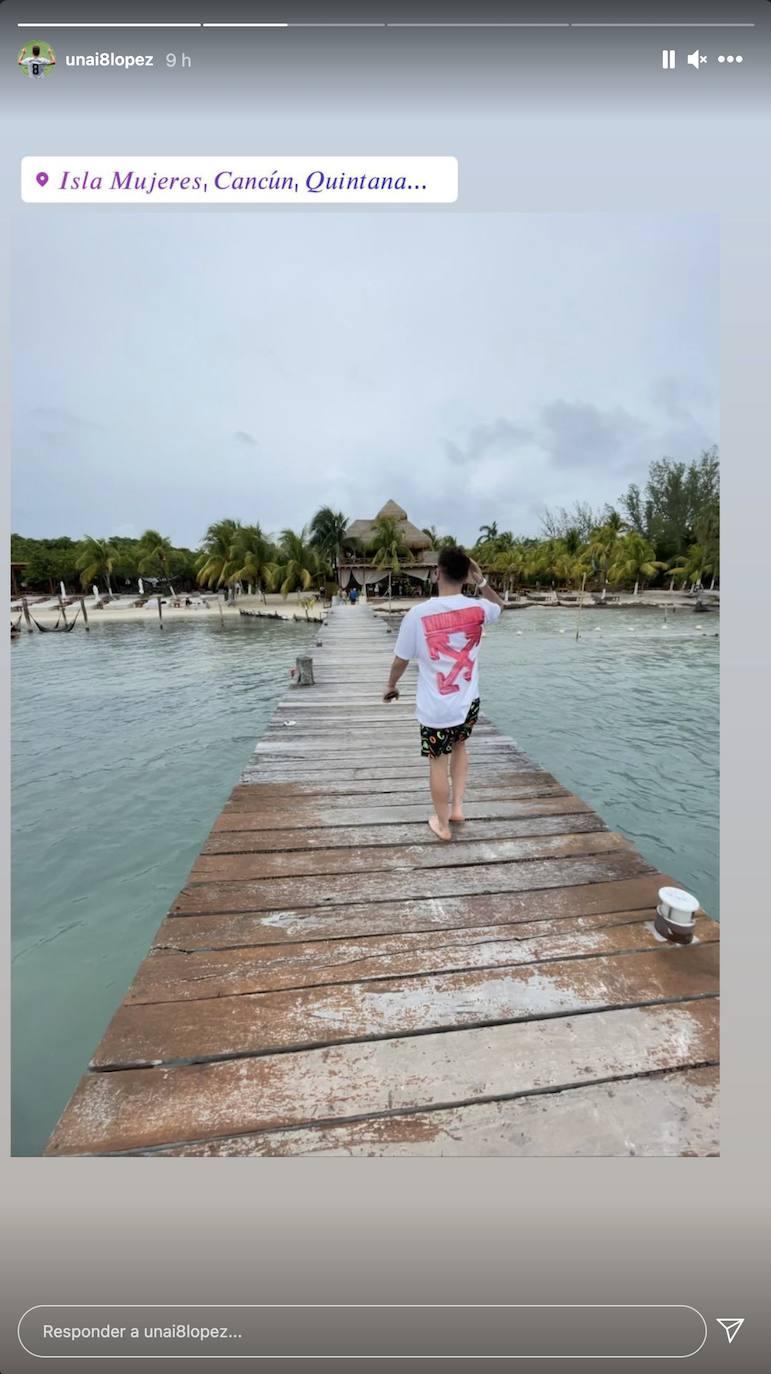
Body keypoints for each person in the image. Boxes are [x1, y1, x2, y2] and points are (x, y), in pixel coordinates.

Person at [383, 546, 504, 840]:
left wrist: (391, 685)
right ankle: (457, 808)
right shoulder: (479, 608)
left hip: (436, 709)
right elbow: (500, 605)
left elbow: (401, 660)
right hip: (468, 702)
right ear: (466, 576)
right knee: (461, 748)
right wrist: (482, 581)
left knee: (437, 760)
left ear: (436, 573)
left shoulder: (417, 614)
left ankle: (442, 824)